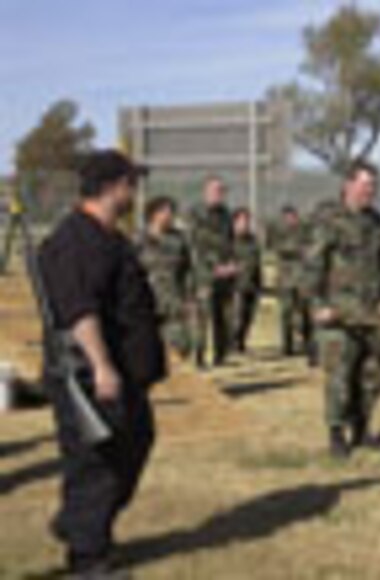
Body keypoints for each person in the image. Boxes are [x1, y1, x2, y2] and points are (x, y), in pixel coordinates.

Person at [38, 150, 166, 579]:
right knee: (97, 465)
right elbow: (79, 311)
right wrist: (102, 366)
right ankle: (88, 560)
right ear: (112, 186)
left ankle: (77, 524)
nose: (136, 191)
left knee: (135, 443)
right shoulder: (75, 240)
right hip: (92, 374)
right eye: (132, 183)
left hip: (126, 374)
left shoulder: (110, 237)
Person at [305, 160, 380, 458]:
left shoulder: (376, 221)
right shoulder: (329, 219)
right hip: (338, 313)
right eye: (366, 185)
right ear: (349, 185)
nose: (371, 191)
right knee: (340, 376)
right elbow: (313, 263)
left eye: (373, 186)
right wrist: (318, 305)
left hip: (369, 312)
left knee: (371, 375)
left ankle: (362, 428)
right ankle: (336, 432)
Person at [187, 176, 237, 368]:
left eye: (222, 191)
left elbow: (230, 242)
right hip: (203, 273)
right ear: (205, 191)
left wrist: (231, 263)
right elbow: (195, 245)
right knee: (202, 316)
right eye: (216, 190)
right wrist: (214, 266)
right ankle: (198, 356)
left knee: (223, 315)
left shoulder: (225, 214)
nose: (220, 194)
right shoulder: (195, 213)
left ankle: (220, 355)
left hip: (224, 273)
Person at [136, 196, 194, 358]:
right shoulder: (138, 241)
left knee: (181, 346)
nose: (170, 215)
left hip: (173, 303)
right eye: (165, 211)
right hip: (146, 305)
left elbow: (187, 271)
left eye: (171, 211)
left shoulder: (179, 240)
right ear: (154, 214)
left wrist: (189, 298)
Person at [270, 206, 311, 357]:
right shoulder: (279, 233)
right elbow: (279, 248)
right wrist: (298, 250)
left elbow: (311, 250)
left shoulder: (304, 232)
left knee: (305, 313)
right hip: (285, 280)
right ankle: (287, 346)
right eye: (287, 217)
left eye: (293, 217)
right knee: (286, 313)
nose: (290, 220)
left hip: (302, 280)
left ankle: (308, 344)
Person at [231, 208, 263, 353]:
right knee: (236, 316)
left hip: (251, 284)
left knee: (248, 316)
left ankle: (241, 342)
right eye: (242, 221)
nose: (245, 224)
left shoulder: (252, 241)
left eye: (247, 221)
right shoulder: (229, 240)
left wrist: (260, 283)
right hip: (234, 285)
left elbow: (257, 263)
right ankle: (232, 343)